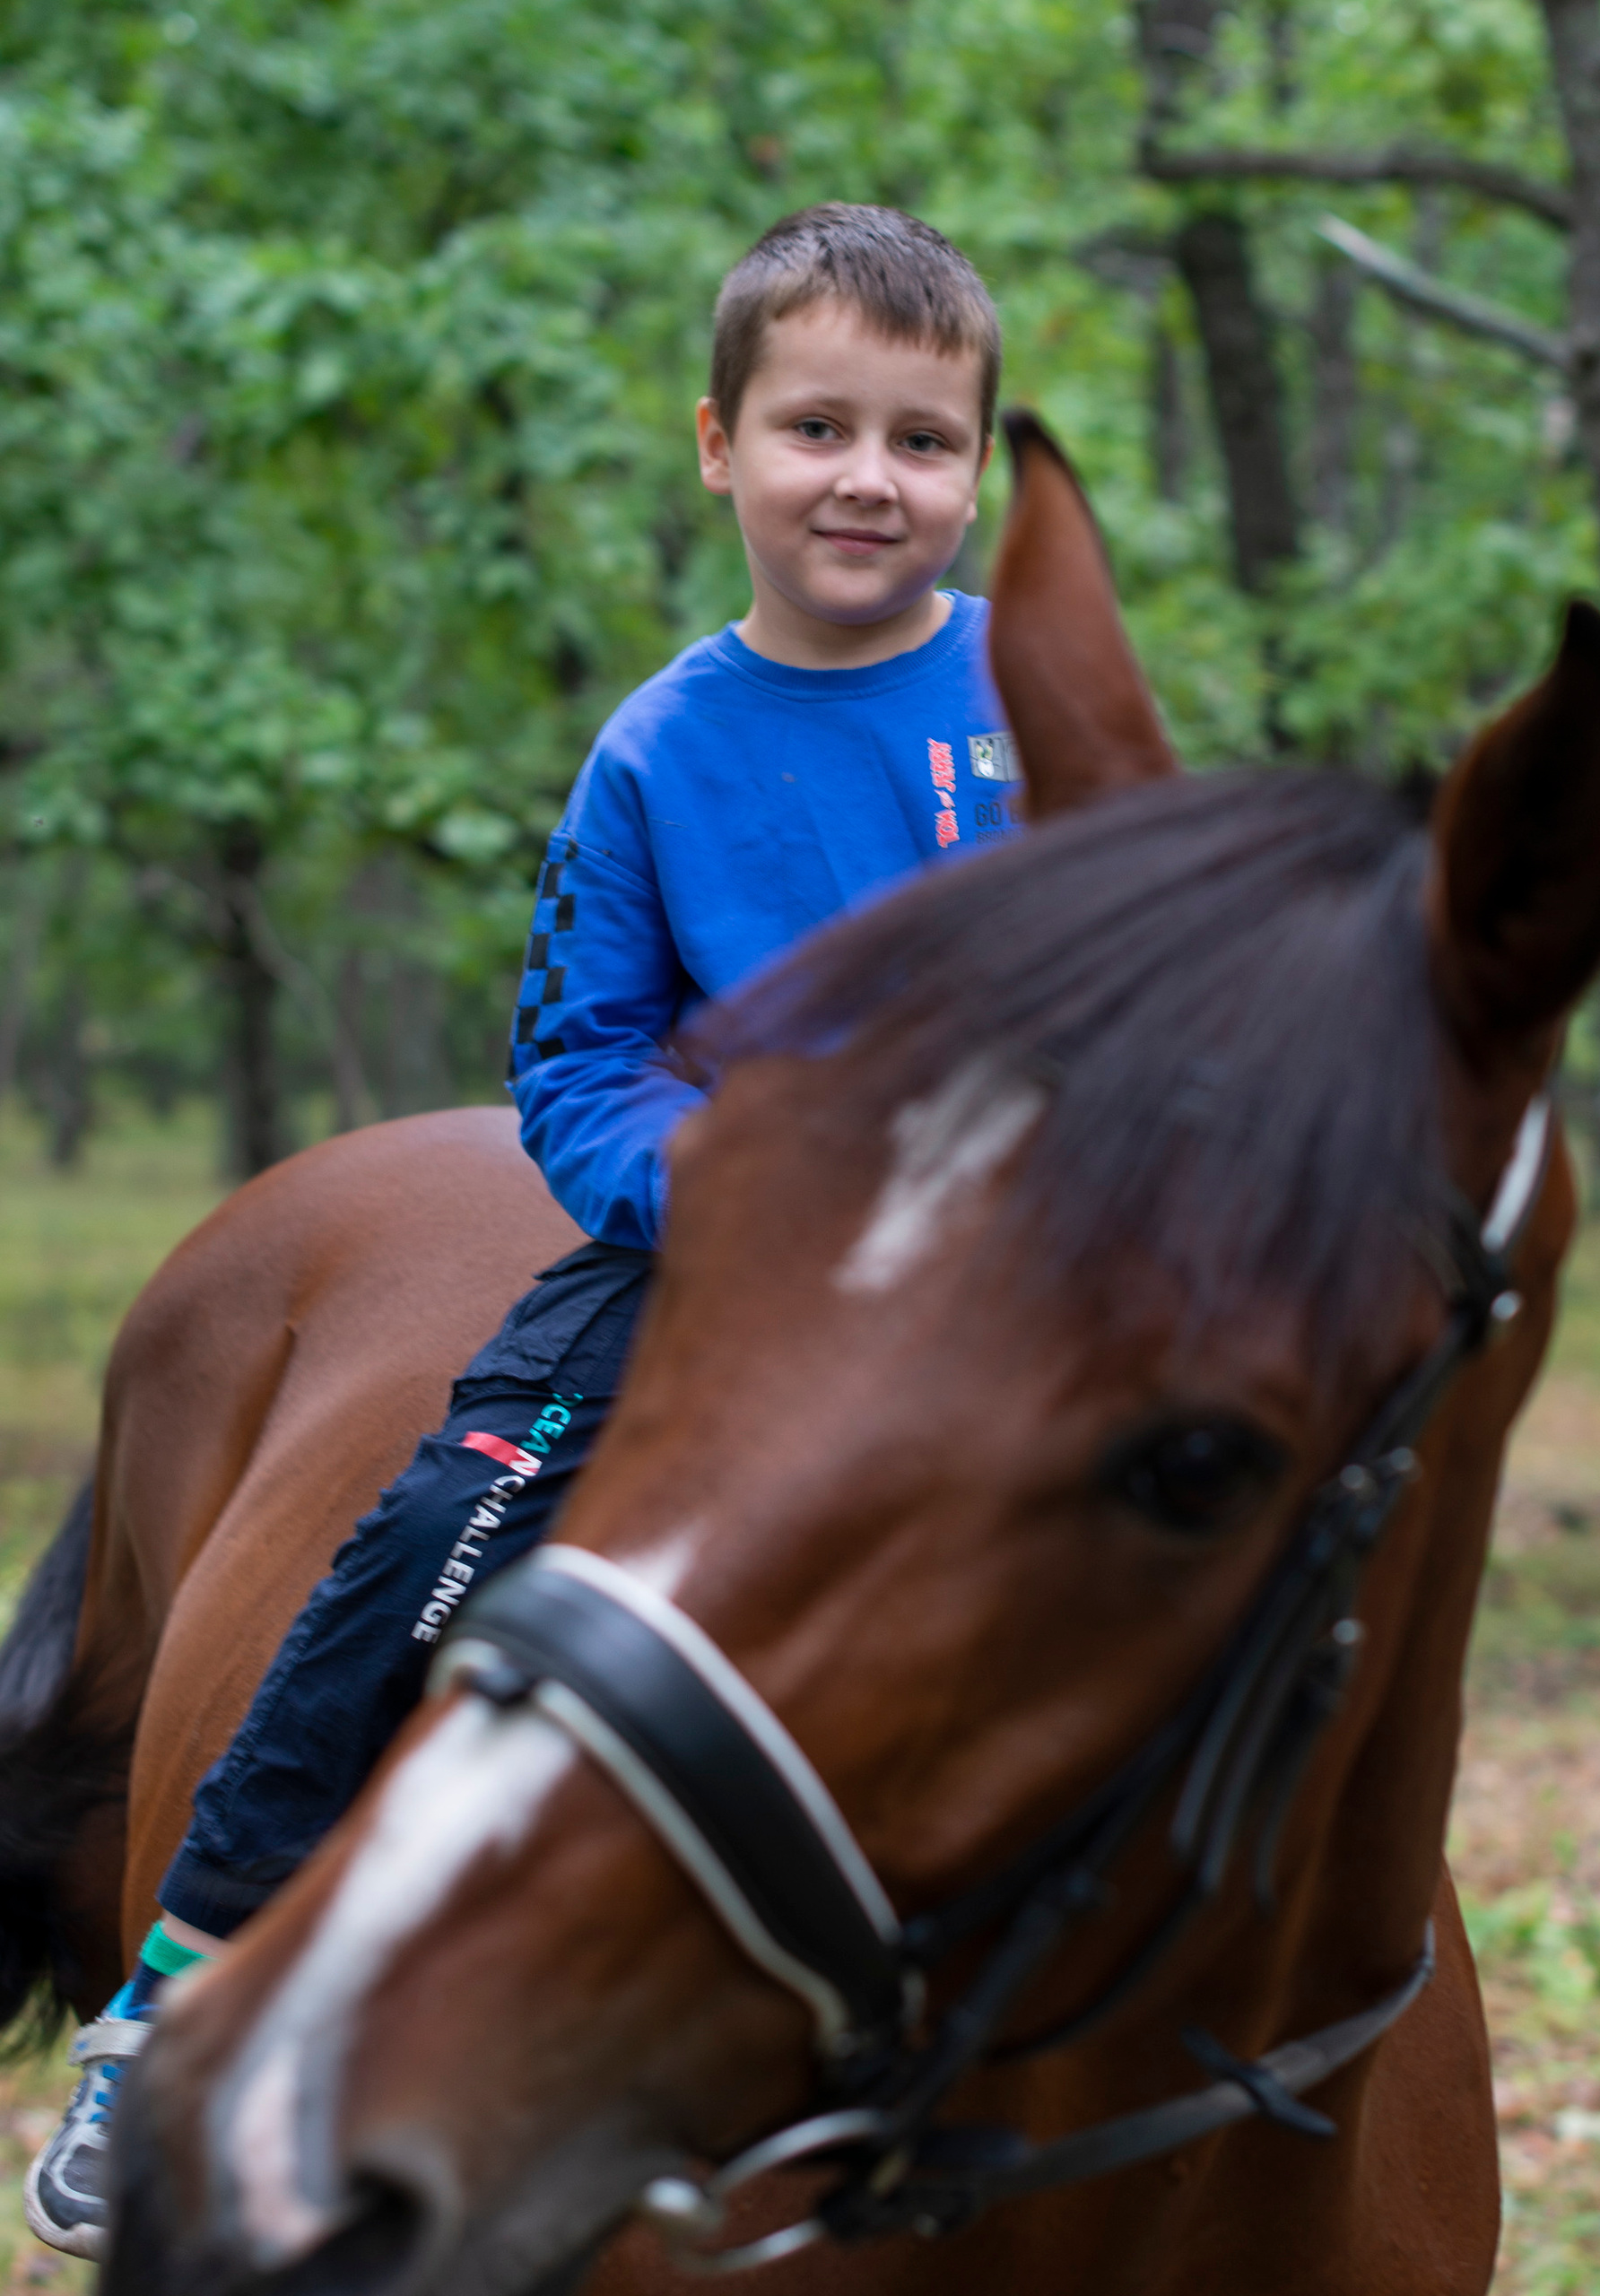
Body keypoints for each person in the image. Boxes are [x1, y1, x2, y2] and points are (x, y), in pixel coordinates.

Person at [28, 200, 1020, 2261]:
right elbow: (575, 1061)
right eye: (816, 426)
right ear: (717, 446)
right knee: (428, 1531)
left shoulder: (1035, 702)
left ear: (976, 468)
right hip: (708, 1256)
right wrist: (731, 1194)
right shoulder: (660, 749)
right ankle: (179, 1988)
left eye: (921, 440)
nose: (868, 478)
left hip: (1008, 1259)